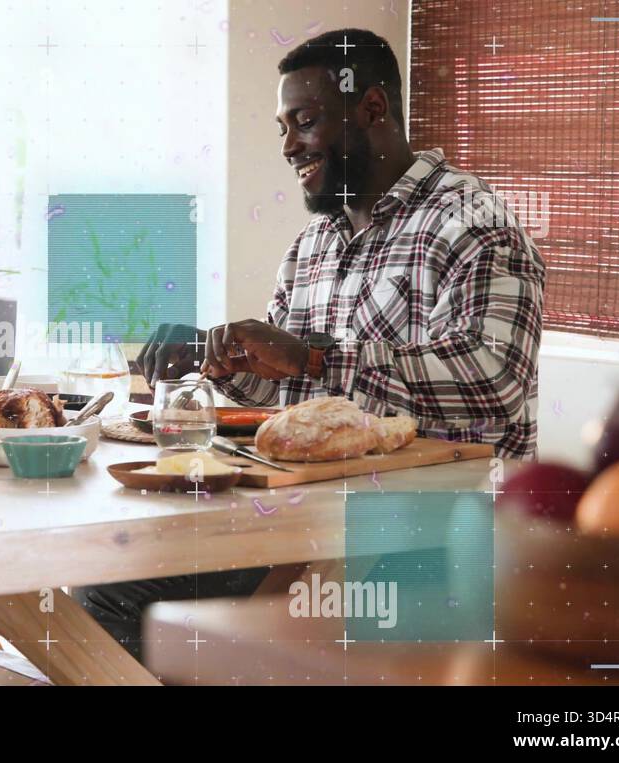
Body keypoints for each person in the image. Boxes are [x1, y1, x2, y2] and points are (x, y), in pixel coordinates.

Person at [82, 28, 546, 660]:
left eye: (304, 121)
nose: (288, 145)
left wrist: (314, 354)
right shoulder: (314, 246)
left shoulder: (472, 221)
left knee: (112, 595)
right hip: (305, 522)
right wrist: (216, 356)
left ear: (372, 109)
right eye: (282, 126)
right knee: (100, 575)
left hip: (427, 539)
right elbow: (287, 391)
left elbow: (494, 381)